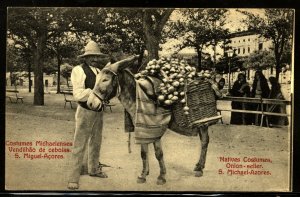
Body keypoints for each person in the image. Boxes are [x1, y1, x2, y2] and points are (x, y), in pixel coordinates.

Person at [67, 40, 109, 190]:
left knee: (96, 141)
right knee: (80, 143)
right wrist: (94, 93)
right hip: (85, 110)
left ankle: (93, 169)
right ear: (85, 57)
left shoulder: (99, 71)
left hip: (98, 111)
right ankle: (73, 177)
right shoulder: (78, 70)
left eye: (97, 56)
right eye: (92, 56)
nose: (95, 59)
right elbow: (78, 94)